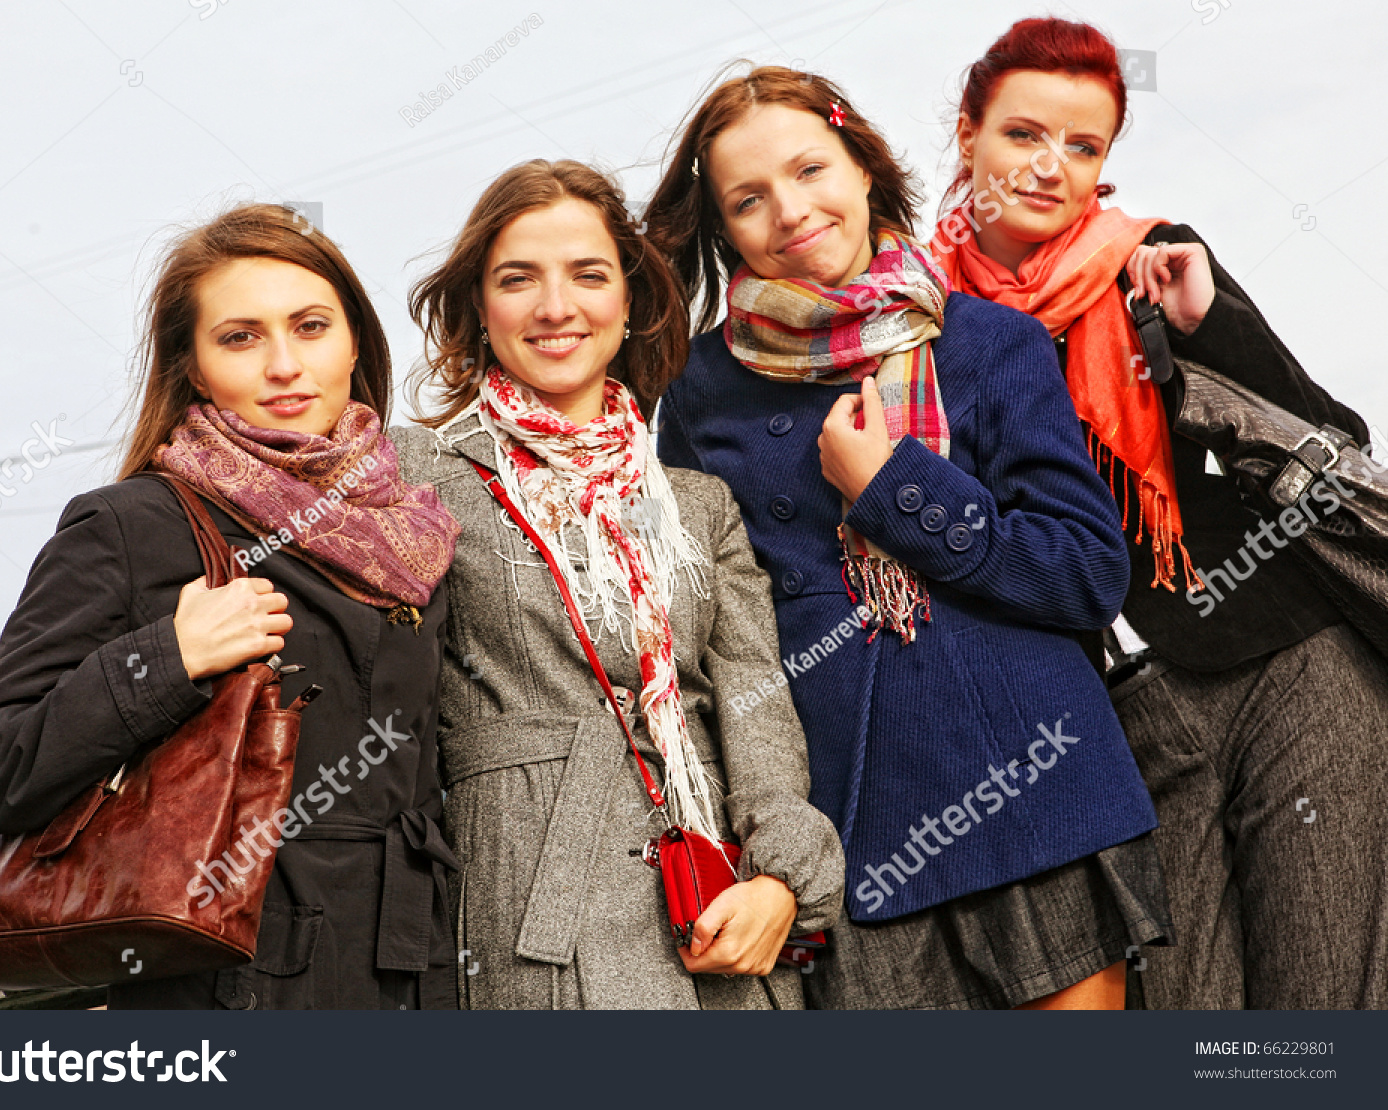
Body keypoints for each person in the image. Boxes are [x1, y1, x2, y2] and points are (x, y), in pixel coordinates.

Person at [644, 66, 1170, 1009]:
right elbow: (720, 634)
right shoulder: (697, 395)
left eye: (812, 170)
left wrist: (893, 488)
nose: (792, 212)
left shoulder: (989, 343)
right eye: (749, 199)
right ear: (722, 229)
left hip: (1033, 783)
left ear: (864, 167)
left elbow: (1090, 574)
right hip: (858, 821)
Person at [931, 17, 1388, 1009]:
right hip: (1108, 720)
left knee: (1322, 1009)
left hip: (1288, 664)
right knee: (1189, 1021)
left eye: (1083, 146)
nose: (1052, 167)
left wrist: (1205, 328)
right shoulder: (917, 323)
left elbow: (1329, 445)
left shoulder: (1153, 262)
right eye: (1023, 134)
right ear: (967, 134)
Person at [0, 203, 461, 1009]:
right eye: (241, 337)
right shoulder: (134, 524)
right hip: (224, 986)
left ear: (354, 344)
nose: (284, 364)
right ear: (194, 367)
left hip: (411, 975)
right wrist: (167, 658)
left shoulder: (414, 531)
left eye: (310, 326)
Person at [394, 158, 844, 1009]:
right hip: (535, 900)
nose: (556, 308)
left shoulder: (697, 504)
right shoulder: (420, 475)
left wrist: (782, 881)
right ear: (479, 309)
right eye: (518, 279)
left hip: (713, 904)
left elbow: (754, 705)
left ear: (630, 301)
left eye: (588, 276)